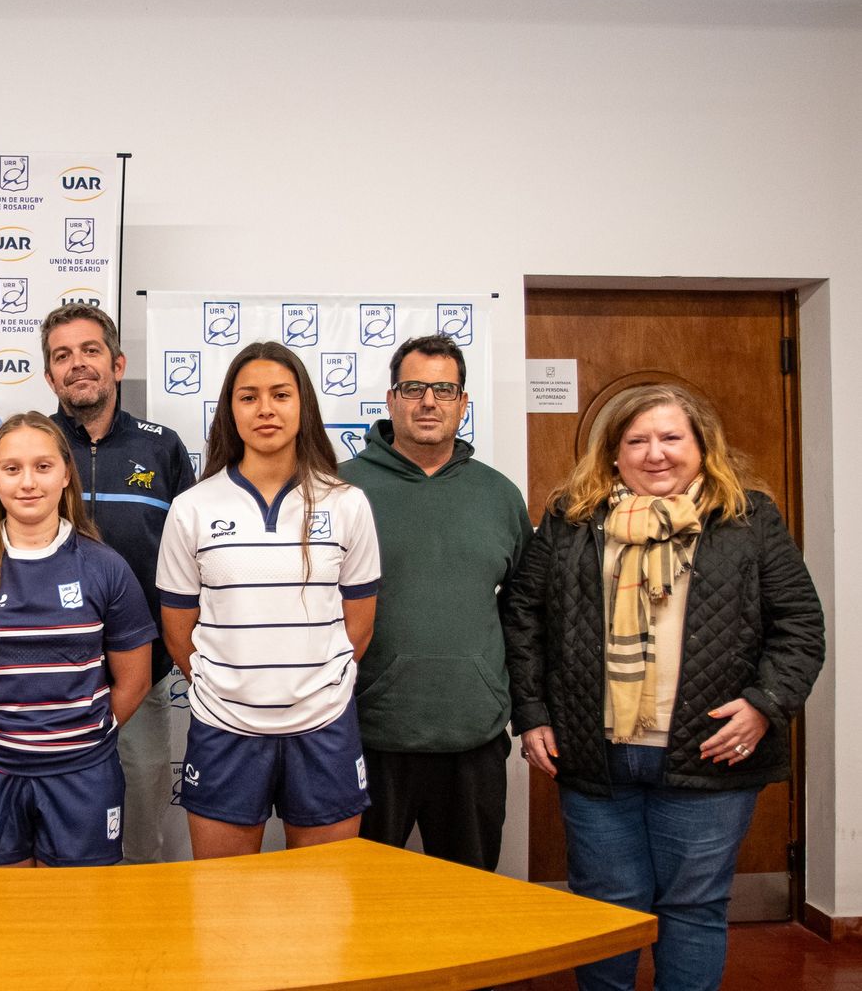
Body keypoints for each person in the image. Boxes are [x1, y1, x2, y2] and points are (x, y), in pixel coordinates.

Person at [504, 383, 825, 991]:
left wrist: (765, 705)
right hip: (593, 750)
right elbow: (524, 617)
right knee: (604, 908)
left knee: (695, 908)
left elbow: (800, 626)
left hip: (710, 751)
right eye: (638, 440)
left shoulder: (749, 519)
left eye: (672, 437)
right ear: (614, 454)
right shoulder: (572, 520)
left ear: (702, 446)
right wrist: (533, 713)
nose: (656, 453)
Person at [157, 342, 381, 859]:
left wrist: (316, 687)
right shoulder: (192, 508)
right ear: (229, 411)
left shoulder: (347, 504)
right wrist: (230, 689)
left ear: (303, 407)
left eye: (281, 395)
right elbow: (177, 631)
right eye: (248, 397)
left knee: (326, 901)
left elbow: (361, 625)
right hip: (224, 730)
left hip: (324, 726)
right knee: (223, 904)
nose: (265, 409)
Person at [0, 411, 156, 866]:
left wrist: (79, 740)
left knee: (77, 920)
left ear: (66, 474)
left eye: (43, 467)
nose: (28, 482)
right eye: (12, 468)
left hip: (83, 776)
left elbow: (135, 682)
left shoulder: (105, 568)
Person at [338, 335, 530, 871]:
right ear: (391, 399)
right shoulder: (339, 490)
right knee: (365, 902)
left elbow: (525, 611)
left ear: (463, 403)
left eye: (444, 390)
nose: (429, 402)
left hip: (473, 735)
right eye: (414, 388)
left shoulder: (498, 495)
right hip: (370, 734)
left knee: (468, 903)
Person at [42, 302, 195, 863]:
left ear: (118, 363)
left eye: (90, 351)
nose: (77, 365)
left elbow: (191, 561)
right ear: (48, 374)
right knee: (54, 837)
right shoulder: (31, 448)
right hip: (47, 680)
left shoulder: (162, 447)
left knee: (138, 844)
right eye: (62, 356)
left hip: (144, 675)